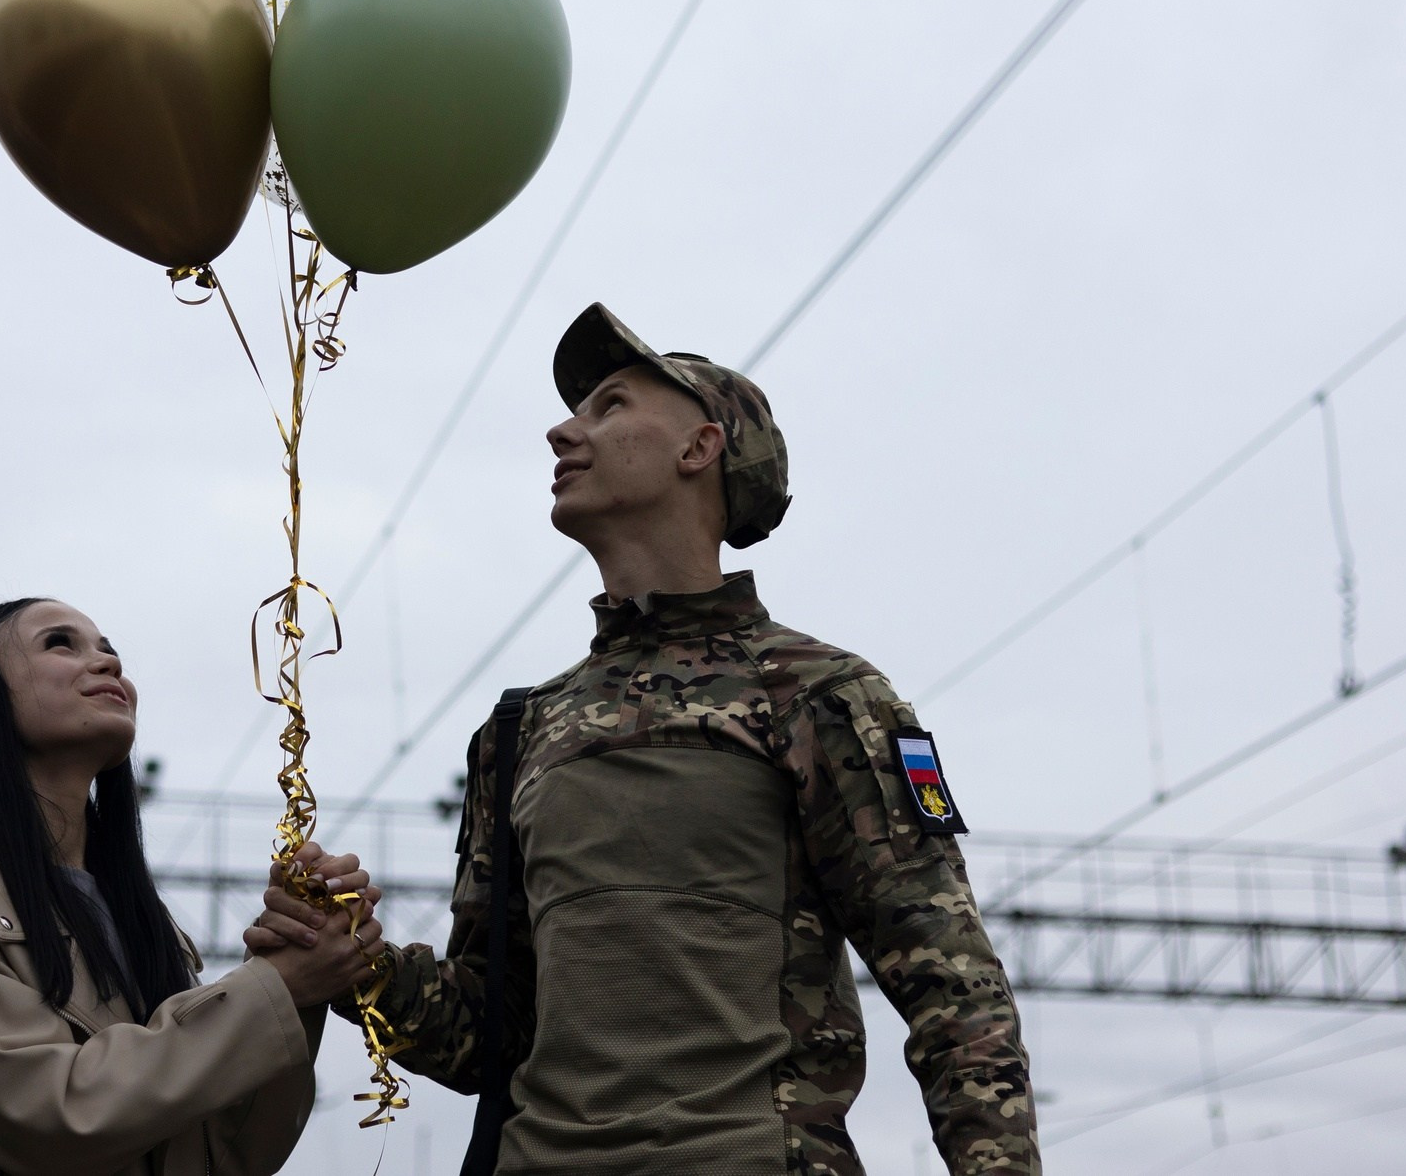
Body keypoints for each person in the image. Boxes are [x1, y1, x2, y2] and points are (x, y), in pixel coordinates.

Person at [247, 304, 1040, 1175]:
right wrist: (358, 961)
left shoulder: (820, 694)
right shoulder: (520, 730)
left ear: (698, 448)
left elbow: (955, 992)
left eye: (611, 406)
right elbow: (492, 1034)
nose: (562, 431)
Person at [0, 596, 382, 1176]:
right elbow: (54, 1115)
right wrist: (270, 989)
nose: (109, 664)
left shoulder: (146, 922)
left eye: (110, 652)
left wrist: (298, 962)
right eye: (60, 643)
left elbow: (228, 1153)